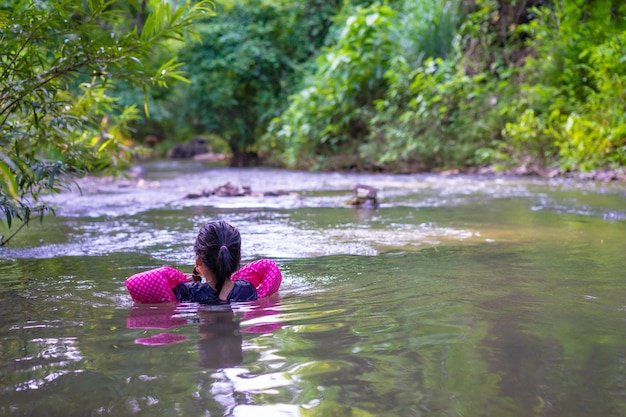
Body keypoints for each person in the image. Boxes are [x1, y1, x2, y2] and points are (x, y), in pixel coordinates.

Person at [125, 221, 282, 304]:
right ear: (236, 260)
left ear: (198, 261)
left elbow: (135, 285)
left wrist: (175, 283)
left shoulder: (184, 293)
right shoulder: (248, 291)